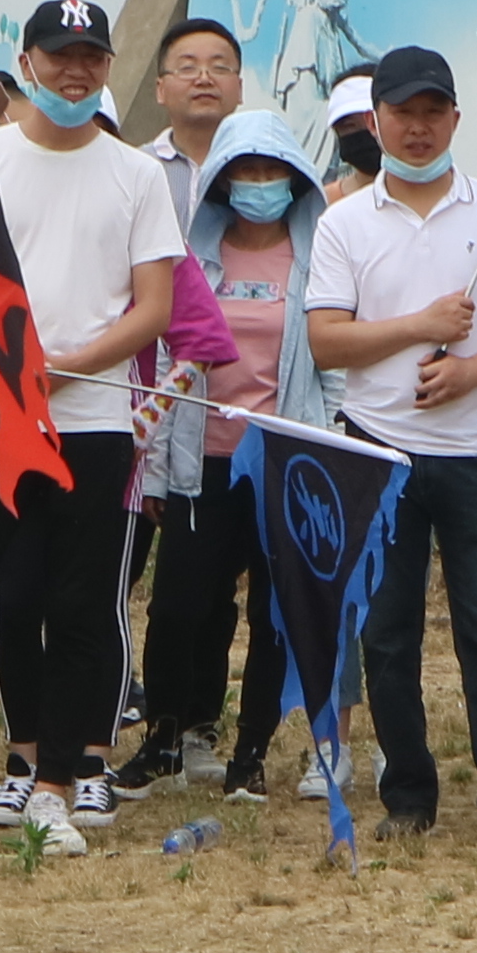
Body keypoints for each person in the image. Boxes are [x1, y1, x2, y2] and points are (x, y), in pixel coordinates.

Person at [0, 0, 179, 846]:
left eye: (92, 56)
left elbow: (153, 305)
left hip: (87, 424)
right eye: (60, 56)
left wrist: (68, 367)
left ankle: (56, 782)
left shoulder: (136, 175)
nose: (77, 70)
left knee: (80, 604)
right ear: (26, 62)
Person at [299, 42, 477, 847]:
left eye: (431, 113)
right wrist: (421, 327)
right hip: (378, 453)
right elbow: (326, 343)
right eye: (402, 114)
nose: (417, 129)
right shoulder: (344, 222)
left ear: (455, 118)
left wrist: (473, 368)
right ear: (374, 120)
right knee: (387, 633)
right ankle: (408, 794)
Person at [137, 107, 326, 798]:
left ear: (294, 180)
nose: (257, 185)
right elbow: (166, 355)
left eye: (270, 172)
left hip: (283, 459)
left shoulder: (316, 256)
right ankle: (164, 738)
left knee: (273, 611)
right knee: (181, 605)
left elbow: (328, 364)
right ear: (219, 182)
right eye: (243, 171)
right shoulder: (194, 259)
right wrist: (155, 461)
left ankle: (251, 752)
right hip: (202, 458)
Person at [142, 14, 247, 228]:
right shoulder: (136, 167)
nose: (204, 79)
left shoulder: (261, 166)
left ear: (240, 88)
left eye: (219, 68)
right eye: (187, 68)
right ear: (160, 90)